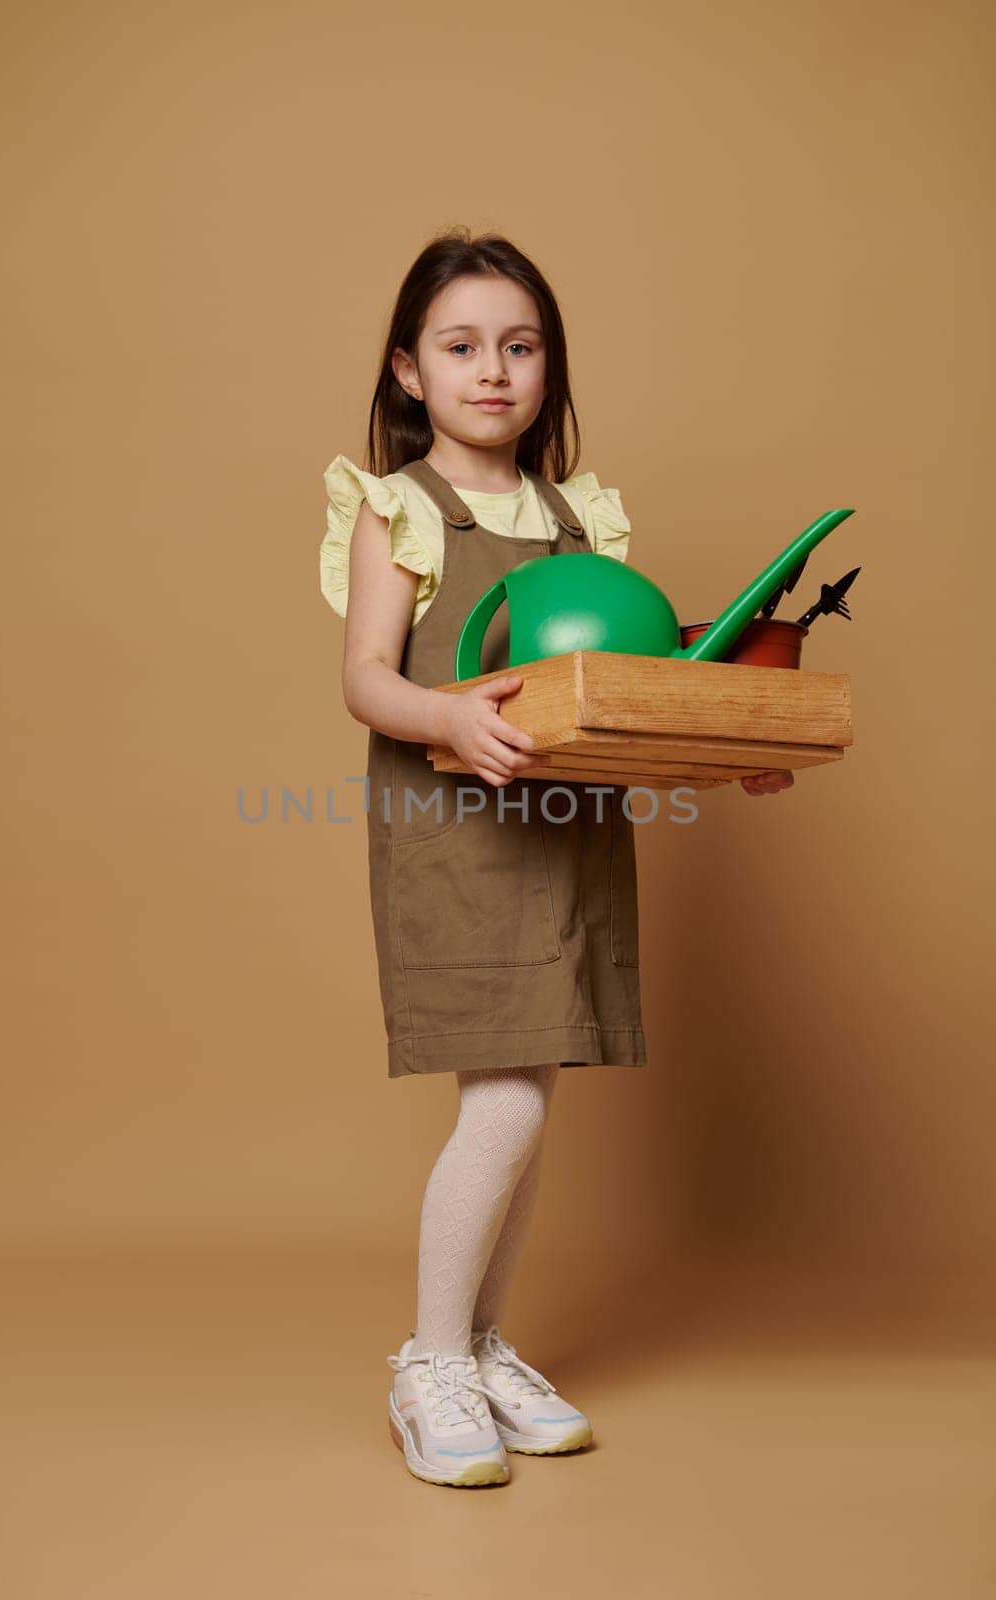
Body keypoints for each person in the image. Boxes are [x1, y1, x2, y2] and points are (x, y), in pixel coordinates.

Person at [318, 228, 793, 1488]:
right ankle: (428, 1364)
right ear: (410, 371)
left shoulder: (587, 518)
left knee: (535, 1102)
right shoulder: (396, 509)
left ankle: (477, 1342)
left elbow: (627, 686)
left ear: (549, 367)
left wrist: (725, 746)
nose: (493, 370)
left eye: (519, 346)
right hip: (456, 830)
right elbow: (366, 676)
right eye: (461, 346)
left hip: (570, 829)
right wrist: (449, 715)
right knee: (509, 1098)